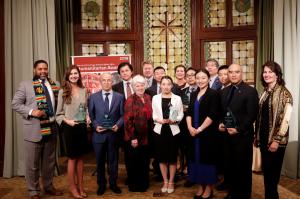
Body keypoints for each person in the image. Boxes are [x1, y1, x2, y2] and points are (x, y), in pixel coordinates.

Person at [12, 60, 63, 199]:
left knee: (49, 162)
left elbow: (59, 105)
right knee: (32, 164)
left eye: (45, 69)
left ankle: (48, 186)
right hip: (34, 130)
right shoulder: (25, 85)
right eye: (40, 69)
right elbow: (15, 104)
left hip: (51, 128)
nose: (43, 71)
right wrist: (31, 111)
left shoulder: (55, 85)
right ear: (35, 70)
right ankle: (33, 191)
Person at [219, 64, 259, 199]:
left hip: (242, 137)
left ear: (242, 73)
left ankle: (243, 195)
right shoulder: (224, 91)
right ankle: (232, 193)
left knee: (242, 169)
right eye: (230, 72)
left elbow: (252, 115)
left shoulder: (250, 91)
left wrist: (238, 129)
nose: (233, 74)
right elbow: (221, 112)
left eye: (237, 72)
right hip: (226, 137)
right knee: (229, 167)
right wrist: (220, 123)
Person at [255, 61, 293, 199]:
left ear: (277, 75)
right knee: (267, 173)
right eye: (265, 72)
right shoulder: (265, 92)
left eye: (270, 72)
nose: (267, 74)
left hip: (276, 140)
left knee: (273, 174)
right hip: (264, 137)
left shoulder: (285, 93)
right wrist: (257, 137)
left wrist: (276, 140)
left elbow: (286, 120)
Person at [56, 65, 89, 199]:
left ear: (79, 75)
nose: (74, 76)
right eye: (71, 74)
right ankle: (73, 188)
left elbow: (85, 108)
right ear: (67, 76)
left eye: (76, 73)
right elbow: (58, 114)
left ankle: (81, 186)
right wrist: (67, 121)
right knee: (72, 158)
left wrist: (87, 116)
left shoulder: (84, 90)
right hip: (69, 128)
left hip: (81, 127)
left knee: (81, 158)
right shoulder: (62, 91)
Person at [89, 73, 124, 196]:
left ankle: (113, 184)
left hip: (113, 134)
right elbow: (91, 116)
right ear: (100, 82)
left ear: (112, 82)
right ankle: (101, 185)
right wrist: (95, 126)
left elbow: (122, 115)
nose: (106, 82)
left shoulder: (119, 97)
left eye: (109, 80)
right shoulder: (93, 97)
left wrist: (118, 125)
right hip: (98, 135)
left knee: (113, 161)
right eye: (104, 80)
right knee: (99, 161)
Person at [186, 69, 219, 199]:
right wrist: (189, 127)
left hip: (207, 133)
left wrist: (199, 129)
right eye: (198, 78)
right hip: (193, 133)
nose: (200, 80)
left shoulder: (214, 94)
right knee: (195, 159)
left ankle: (209, 188)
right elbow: (188, 112)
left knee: (207, 160)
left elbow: (213, 114)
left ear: (208, 79)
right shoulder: (194, 94)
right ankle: (200, 185)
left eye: (203, 78)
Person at [152, 76, 184, 194]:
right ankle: (165, 181)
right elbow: (153, 115)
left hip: (173, 130)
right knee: (161, 158)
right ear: (160, 85)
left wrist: (174, 120)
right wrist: (158, 120)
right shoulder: (155, 98)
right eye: (163, 84)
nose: (166, 86)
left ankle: (171, 181)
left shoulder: (177, 98)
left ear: (172, 85)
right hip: (159, 130)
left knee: (172, 158)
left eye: (168, 84)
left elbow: (180, 115)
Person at [124, 75, 152, 192]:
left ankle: (144, 184)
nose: (140, 87)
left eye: (142, 85)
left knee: (144, 161)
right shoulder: (130, 99)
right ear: (133, 87)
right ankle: (134, 185)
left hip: (146, 136)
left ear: (145, 86)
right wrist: (133, 137)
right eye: (137, 85)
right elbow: (128, 120)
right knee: (134, 162)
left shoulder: (148, 97)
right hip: (134, 136)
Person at [178, 67, 198, 186]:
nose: (190, 77)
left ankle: (199, 175)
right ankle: (190, 176)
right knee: (188, 151)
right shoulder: (182, 92)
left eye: (193, 75)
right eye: (188, 75)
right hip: (185, 126)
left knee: (199, 151)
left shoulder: (202, 91)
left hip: (200, 126)